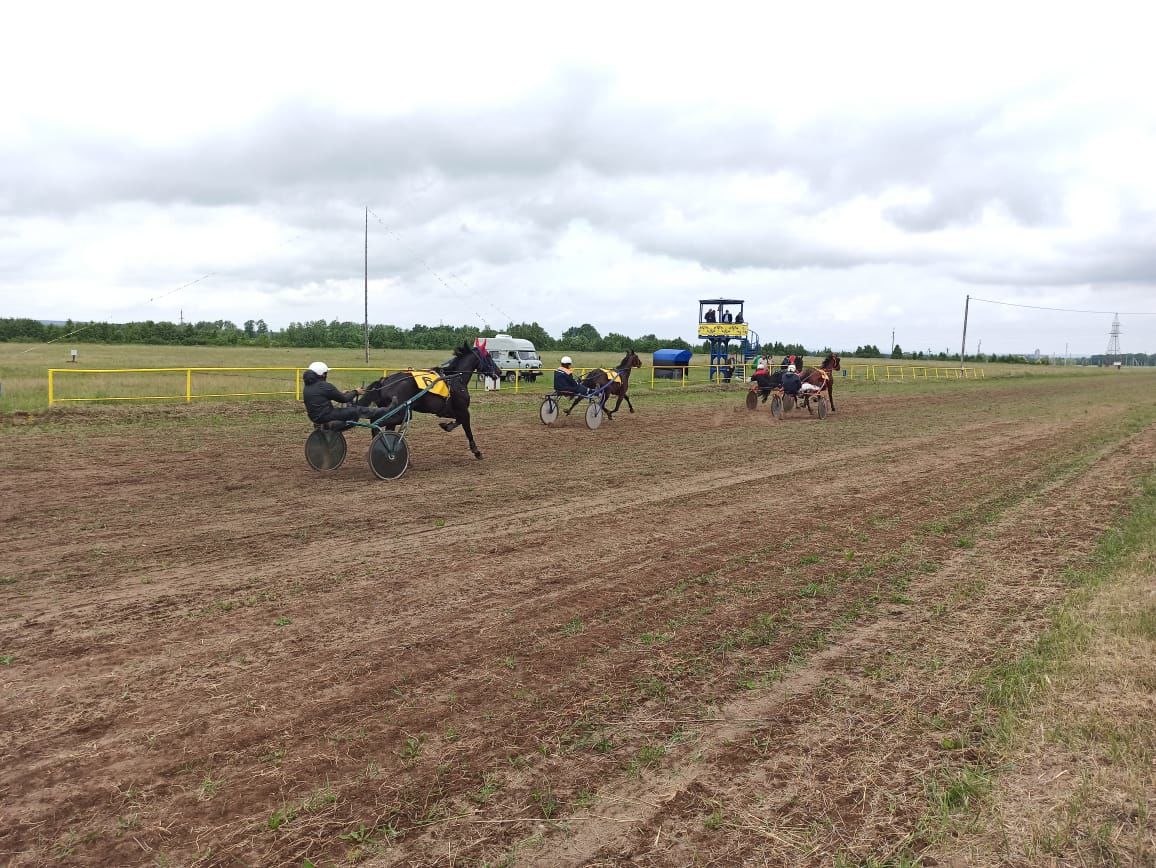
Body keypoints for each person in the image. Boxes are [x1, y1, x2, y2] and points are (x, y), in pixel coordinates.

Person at [302, 362, 392, 426]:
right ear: (322, 374)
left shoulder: (307, 386)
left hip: (315, 417)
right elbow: (343, 399)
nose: (327, 375)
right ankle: (386, 410)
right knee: (356, 410)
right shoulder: (324, 386)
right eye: (326, 373)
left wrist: (344, 394)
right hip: (326, 416)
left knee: (349, 408)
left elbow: (327, 396)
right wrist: (356, 392)